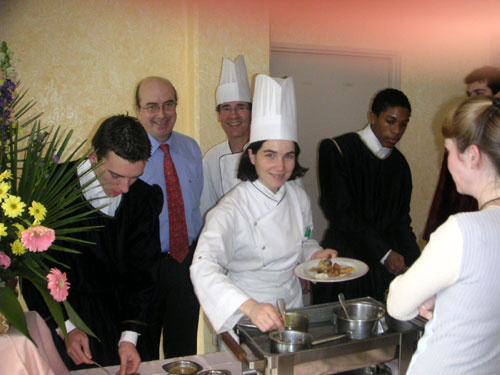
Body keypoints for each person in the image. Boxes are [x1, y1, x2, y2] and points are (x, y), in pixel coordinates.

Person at [190, 75, 336, 334]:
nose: (281, 167)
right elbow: (203, 267)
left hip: (292, 308)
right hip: (248, 316)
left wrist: (315, 255)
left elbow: (304, 241)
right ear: (252, 155)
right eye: (270, 155)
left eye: (288, 156)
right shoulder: (230, 209)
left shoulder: (298, 197)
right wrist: (250, 307)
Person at [22, 115, 163, 374]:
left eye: (134, 178)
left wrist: (129, 337)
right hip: (63, 314)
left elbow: (143, 275)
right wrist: (65, 327)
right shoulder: (51, 187)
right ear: (93, 156)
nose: (125, 188)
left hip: (124, 316)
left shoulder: (143, 200)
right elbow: (34, 269)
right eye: (116, 176)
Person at [387, 96, 500, 374]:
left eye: (448, 150)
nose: (446, 161)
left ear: (472, 156)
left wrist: (430, 294)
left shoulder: (462, 231)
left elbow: (398, 305)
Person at [312, 88, 420, 304]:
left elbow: (401, 220)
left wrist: (418, 264)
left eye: (403, 124)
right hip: (344, 262)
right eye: (390, 121)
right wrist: (385, 253)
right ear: (373, 117)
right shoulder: (337, 150)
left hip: (382, 270)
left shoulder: (399, 164)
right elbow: (341, 214)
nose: (397, 130)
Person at [135, 76, 203, 358]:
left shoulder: (191, 148)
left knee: (183, 350)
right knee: (142, 350)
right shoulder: (128, 154)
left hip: (185, 264)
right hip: (143, 269)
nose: (161, 114)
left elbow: (195, 204)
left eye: (168, 104)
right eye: (152, 106)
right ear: (138, 110)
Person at [422, 66, 500, 240]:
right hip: (463, 223)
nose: (471, 101)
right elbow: (444, 191)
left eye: (479, 93)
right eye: (469, 95)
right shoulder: (460, 135)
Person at [200, 55, 252, 216]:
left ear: (251, 112)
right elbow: (206, 209)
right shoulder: (211, 158)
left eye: (241, 107)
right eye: (226, 108)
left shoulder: (269, 152)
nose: (233, 115)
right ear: (219, 115)